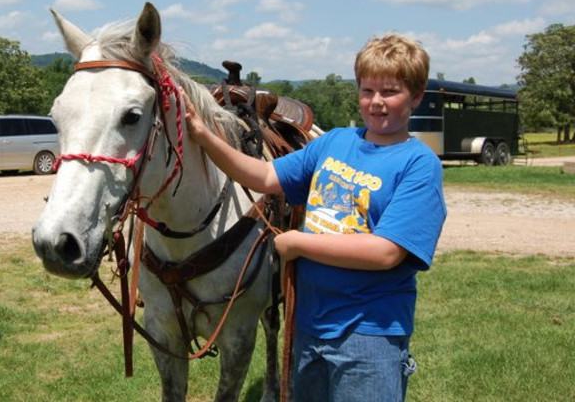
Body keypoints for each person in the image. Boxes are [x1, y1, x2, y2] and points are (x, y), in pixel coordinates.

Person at [182, 34, 446, 402]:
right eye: (367, 90)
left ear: (417, 96)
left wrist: (298, 243)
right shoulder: (334, 142)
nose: (376, 102)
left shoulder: (418, 165)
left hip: (369, 334)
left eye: (391, 92)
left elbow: (386, 252)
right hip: (308, 324)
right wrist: (206, 138)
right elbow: (265, 177)